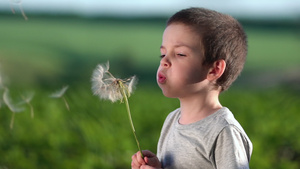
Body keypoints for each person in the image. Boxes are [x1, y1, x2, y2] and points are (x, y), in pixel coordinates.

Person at [131, 7, 253, 169]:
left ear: (214, 69)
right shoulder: (172, 120)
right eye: (163, 54)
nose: (164, 62)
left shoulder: (223, 131)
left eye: (180, 54)